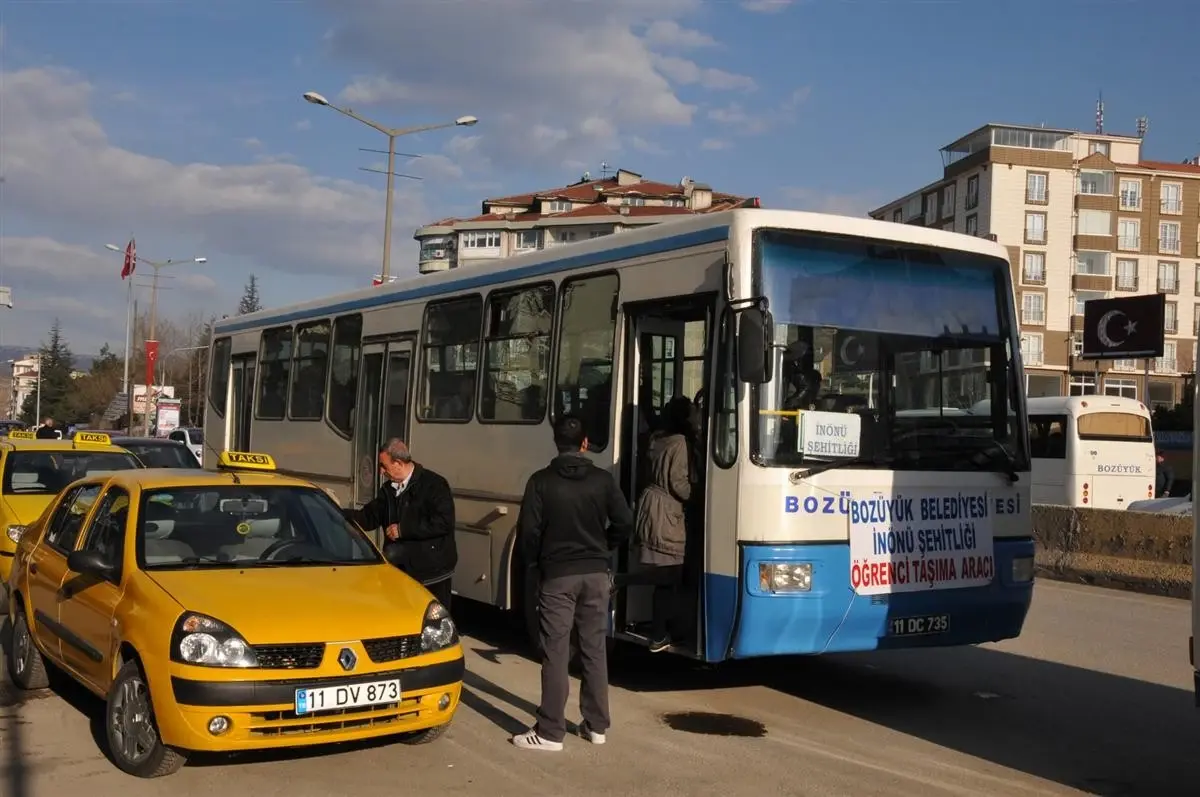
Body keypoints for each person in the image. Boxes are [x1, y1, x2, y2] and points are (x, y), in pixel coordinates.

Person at [511, 415, 633, 752]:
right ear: (585, 443)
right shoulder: (603, 480)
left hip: (558, 576)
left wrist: (537, 564)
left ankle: (551, 731)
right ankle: (596, 726)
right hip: (596, 574)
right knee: (594, 648)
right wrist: (604, 546)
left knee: (556, 651)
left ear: (556, 442)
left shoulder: (540, 482)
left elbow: (528, 534)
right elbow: (624, 522)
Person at [343, 439, 457, 608]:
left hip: (431, 576)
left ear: (398, 463)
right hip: (399, 573)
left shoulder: (434, 485)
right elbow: (367, 518)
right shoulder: (388, 490)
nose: (381, 471)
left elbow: (444, 522)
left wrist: (403, 530)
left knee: (430, 620)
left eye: (384, 466)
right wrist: (335, 512)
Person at [634, 396, 698, 653]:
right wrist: (699, 496)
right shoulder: (680, 442)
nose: (697, 416)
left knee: (665, 573)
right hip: (667, 511)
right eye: (693, 412)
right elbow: (678, 482)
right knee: (669, 574)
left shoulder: (657, 437)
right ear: (685, 418)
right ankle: (659, 634)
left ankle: (663, 630)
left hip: (651, 505)